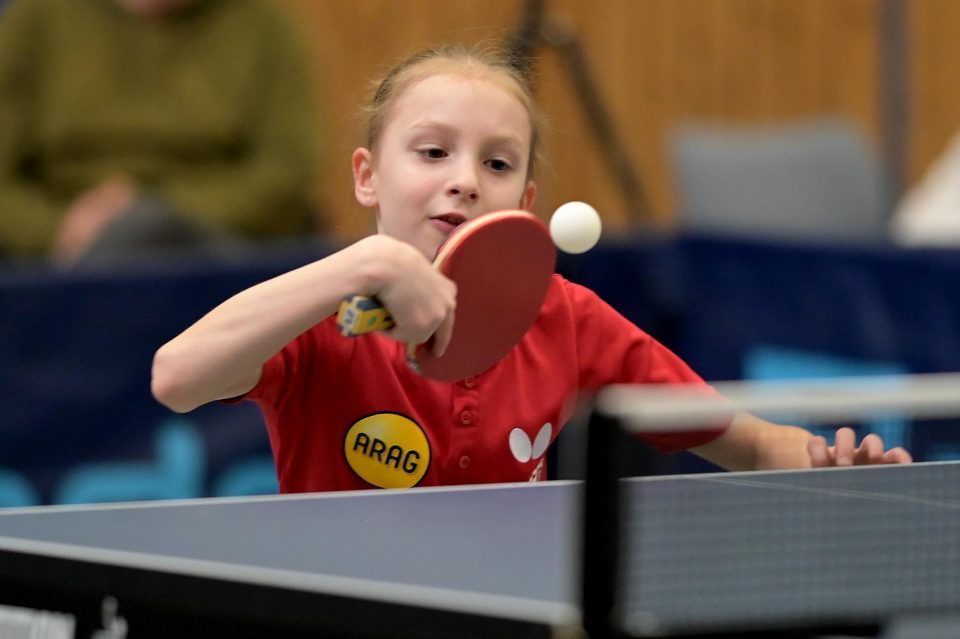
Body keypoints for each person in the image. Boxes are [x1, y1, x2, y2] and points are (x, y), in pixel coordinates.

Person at [151, 43, 912, 493]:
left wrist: (832, 464)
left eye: (497, 161)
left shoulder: (566, 318)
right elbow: (176, 376)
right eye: (431, 151)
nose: (464, 179)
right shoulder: (317, 316)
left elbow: (745, 442)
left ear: (526, 196)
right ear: (366, 175)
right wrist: (369, 262)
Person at [0, 0, 321, 266]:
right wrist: (58, 229)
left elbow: (283, 177)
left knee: (143, 232)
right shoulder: (34, 21)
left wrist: (152, 210)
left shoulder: (264, 27)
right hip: (56, 258)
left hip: (213, 248)